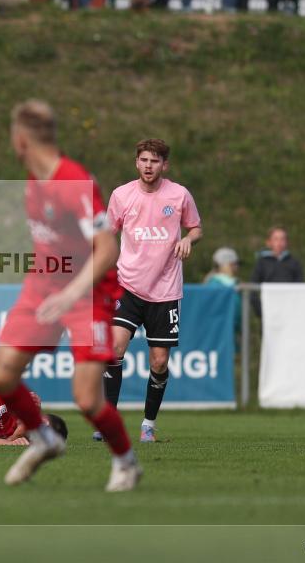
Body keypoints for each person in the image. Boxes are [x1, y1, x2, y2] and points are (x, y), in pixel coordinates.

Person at [0, 100, 140, 492]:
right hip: (43, 287)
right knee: (2, 375)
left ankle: (126, 462)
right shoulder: (33, 180)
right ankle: (45, 439)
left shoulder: (74, 182)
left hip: (87, 293)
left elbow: (108, 248)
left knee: (87, 399)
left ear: (20, 140)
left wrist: (71, 292)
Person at [103, 138, 203, 443]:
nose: (149, 166)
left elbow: (195, 227)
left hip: (165, 290)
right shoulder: (121, 195)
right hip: (128, 286)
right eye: (144, 160)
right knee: (114, 349)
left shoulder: (179, 194)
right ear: (137, 163)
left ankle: (148, 424)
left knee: (159, 362)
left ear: (164, 165)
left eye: (155, 161)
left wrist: (189, 239)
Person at [250, 225, 303, 316]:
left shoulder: (294, 263)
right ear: (269, 242)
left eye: (282, 239)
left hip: (289, 312)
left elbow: (300, 288)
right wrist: (260, 311)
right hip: (268, 311)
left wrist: (295, 309)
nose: (279, 242)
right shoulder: (262, 262)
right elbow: (253, 288)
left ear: (286, 242)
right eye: (276, 239)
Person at [204, 247, 241, 334]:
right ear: (227, 265)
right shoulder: (214, 284)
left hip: (233, 329)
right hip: (220, 331)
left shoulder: (234, 282)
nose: (237, 267)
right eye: (234, 264)